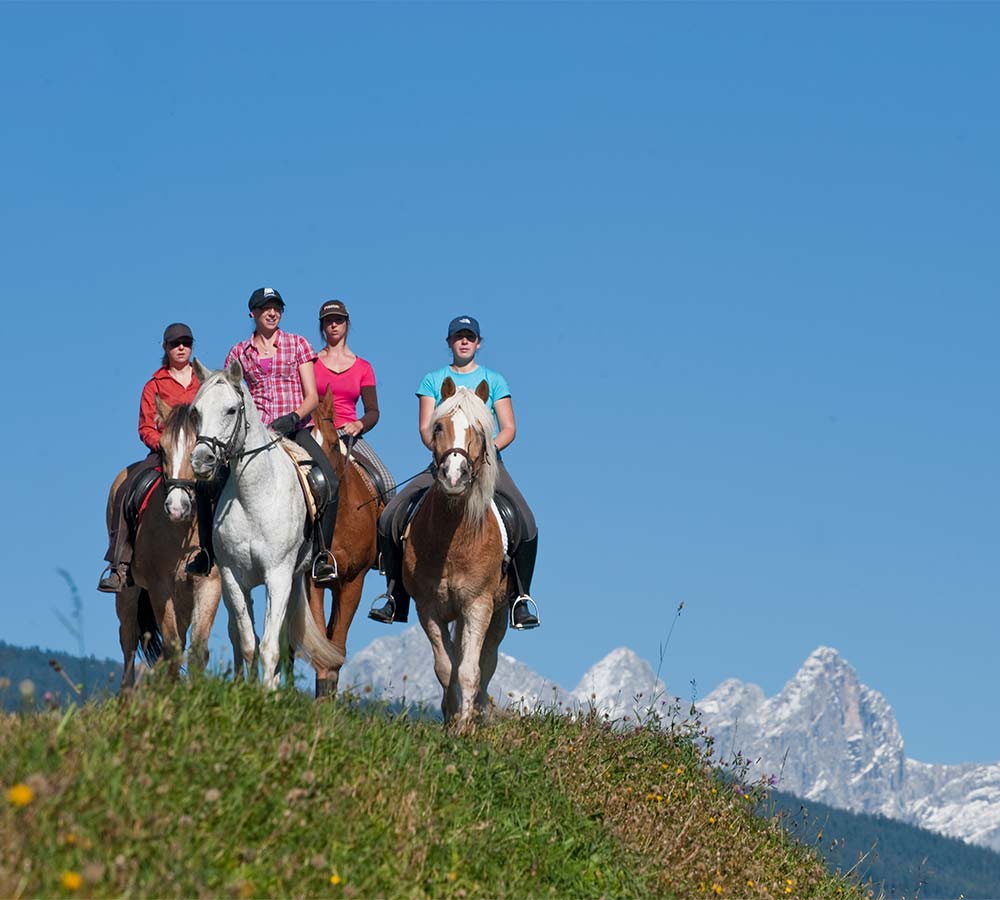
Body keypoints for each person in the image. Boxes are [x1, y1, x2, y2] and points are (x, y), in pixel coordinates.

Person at [368, 314, 540, 630]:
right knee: (390, 515)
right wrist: (444, 454)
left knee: (525, 521)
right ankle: (395, 595)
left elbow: (509, 427)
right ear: (449, 342)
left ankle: (520, 598)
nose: (464, 341)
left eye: (470, 337)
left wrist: (486, 451)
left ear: (478, 342)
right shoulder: (434, 381)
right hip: (444, 461)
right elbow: (425, 427)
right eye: (458, 337)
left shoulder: (494, 380)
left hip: (486, 463)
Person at [187, 287, 339, 584]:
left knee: (328, 481)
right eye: (265, 308)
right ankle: (207, 553)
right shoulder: (238, 353)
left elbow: (312, 396)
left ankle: (322, 555)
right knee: (206, 486)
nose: (272, 313)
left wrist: (294, 417)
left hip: (293, 430)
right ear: (253, 313)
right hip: (251, 437)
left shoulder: (298, 345)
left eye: (277, 308)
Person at [98, 323, 201, 592]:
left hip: (198, 454)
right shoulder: (154, 385)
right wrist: (166, 445)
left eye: (186, 343)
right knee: (127, 488)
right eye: (175, 343)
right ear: (165, 348)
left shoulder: (203, 383)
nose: (181, 348)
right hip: (164, 454)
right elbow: (145, 427)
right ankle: (119, 564)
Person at [312, 299, 395, 499]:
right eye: (328, 321)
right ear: (322, 326)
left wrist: (359, 424)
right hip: (317, 433)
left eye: (338, 320)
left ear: (347, 323)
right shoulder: (311, 362)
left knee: (389, 484)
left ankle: (383, 531)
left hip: (349, 435)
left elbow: (373, 411)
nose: (333, 325)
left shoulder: (363, 367)